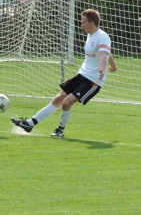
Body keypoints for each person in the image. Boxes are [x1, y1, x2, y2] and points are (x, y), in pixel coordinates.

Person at [11, 9, 117, 137]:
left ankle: (60, 130)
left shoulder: (103, 36)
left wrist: (103, 67)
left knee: (66, 102)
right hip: (82, 74)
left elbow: (104, 54)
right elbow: (107, 50)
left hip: (94, 81)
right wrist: (113, 66)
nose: (81, 25)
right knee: (58, 99)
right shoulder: (90, 36)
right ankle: (30, 124)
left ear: (92, 24)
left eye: (83, 22)